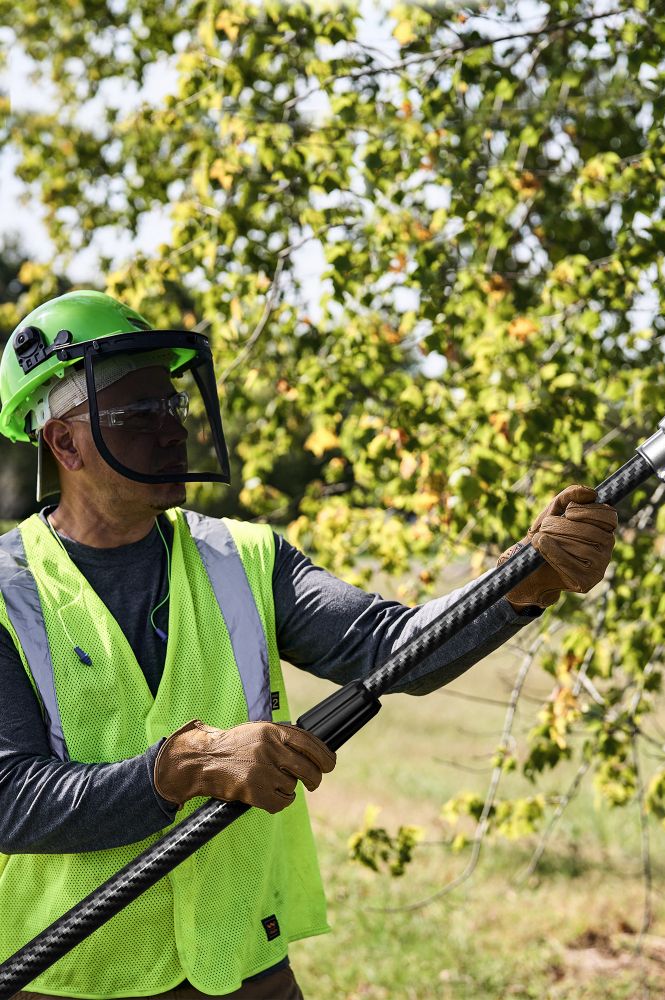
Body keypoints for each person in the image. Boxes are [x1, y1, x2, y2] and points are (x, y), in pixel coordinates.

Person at [0, 290, 618, 1000]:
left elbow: (394, 646)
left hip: (245, 972)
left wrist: (523, 580)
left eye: (173, 407)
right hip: (67, 977)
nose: (173, 430)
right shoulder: (7, 593)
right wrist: (184, 767)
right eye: (141, 413)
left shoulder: (245, 557)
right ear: (65, 442)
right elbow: (12, 800)